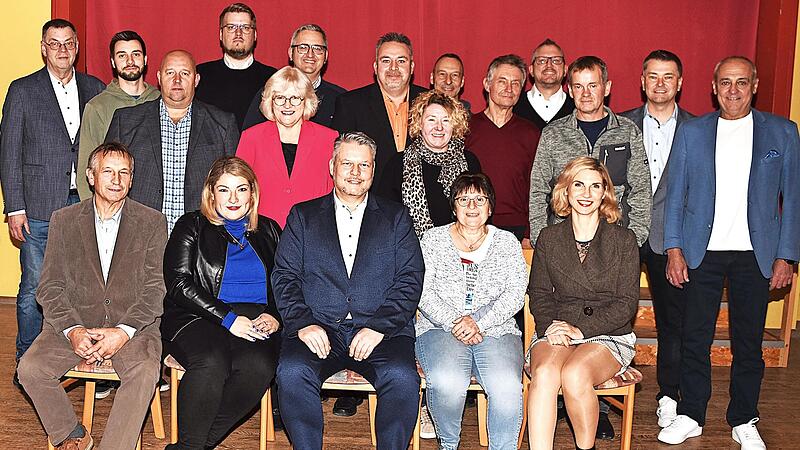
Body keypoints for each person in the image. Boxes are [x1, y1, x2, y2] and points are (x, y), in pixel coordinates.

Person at [659, 56, 800, 449]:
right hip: (700, 252)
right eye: (725, 82)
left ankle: (743, 418)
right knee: (694, 337)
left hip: (756, 254)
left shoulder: (783, 133)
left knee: (748, 343)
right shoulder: (692, 132)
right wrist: (673, 248)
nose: (733, 90)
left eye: (741, 82)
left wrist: (786, 256)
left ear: (754, 85)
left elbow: (794, 200)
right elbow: (675, 197)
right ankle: (690, 414)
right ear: (713, 87)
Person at [272, 132, 424, 449]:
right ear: (332, 166)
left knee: (402, 377)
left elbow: (410, 279)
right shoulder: (303, 216)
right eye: (347, 163)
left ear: (373, 169)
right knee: (292, 371)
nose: (355, 173)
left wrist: (379, 327)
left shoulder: (397, 218)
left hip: (382, 330)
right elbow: (284, 276)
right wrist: (303, 323)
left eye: (363, 165)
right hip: (319, 325)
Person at [17, 143, 167, 450]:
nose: (116, 179)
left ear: (132, 179)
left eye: (124, 172)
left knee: (144, 372)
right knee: (29, 369)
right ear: (90, 176)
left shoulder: (152, 221)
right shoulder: (64, 219)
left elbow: (156, 288)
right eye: (108, 171)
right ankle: (71, 434)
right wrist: (73, 330)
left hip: (133, 327)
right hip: (76, 322)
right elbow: (50, 286)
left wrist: (123, 333)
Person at [0, 18, 105, 384]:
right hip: (39, 208)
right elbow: (9, 151)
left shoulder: (95, 87)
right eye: (54, 43)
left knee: (83, 288)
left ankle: (74, 359)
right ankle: (27, 364)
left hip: (86, 207)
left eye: (68, 43)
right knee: (33, 289)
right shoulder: (22, 90)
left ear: (77, 47)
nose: (62, 49)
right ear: (43, 47)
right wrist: (15, 206)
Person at [162, 156, 282, 449]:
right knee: (211, 361)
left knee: (259, 366)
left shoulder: (269, 229)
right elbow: (178, 284)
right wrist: (228, 319)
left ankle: (191, 447)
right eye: (224, 189)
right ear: (211, 192)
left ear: (252, 193)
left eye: (241, 189)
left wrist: (275, 315)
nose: (233, 198)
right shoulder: (191, 225)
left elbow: (285, 283)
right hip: (197, 315)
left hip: (254, 319)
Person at [527, 156, 639, 450]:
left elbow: (626, 305)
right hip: (557, 327)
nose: (586, 194)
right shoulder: (548, 238)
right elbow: (539, 293)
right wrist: (550, 327)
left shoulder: (624, 240)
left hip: (607, 332)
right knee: (545, 372)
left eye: (594, 186)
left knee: (575, 374)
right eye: (579, 185)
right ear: (566, 190)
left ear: (605, 193)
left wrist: (580, 329)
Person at [416, 172, 527, 450]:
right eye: (463, 199)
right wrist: (456, 322)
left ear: (490, 206)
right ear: (453, 207)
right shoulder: (432, 240)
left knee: (506, 386)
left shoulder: (507, 243)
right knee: (447, 381)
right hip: (440, 328)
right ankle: (449, 444)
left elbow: (515, 293)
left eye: (480, 199)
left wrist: (479, 322)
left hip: (497, 329)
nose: (472, 206)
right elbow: (422, 291)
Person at [620, 49, 694, 429]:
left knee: (672, 323)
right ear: (642, 80)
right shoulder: (621, 125)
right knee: (612, 316)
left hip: (673, 242)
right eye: (653, 76)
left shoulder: (698, 130)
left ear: (680, 83)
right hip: (624, 239)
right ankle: (605, 392)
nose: (660, 83)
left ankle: (669, 395)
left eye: (668, 76)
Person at [105, 50, 239, 233]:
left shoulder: (223, 124)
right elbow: (106, 181)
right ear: (159, 77)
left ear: (196, 79)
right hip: (138, 235)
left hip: (202, 236)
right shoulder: (126, 121)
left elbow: (236, 185)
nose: (177, 80)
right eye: (170, 73)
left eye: (185, 73)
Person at [529, 55, 651, 248]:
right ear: (569, 90)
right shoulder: (552, 134)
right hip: (563, 243)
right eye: (578, 86)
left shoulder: (628, 132)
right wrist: (541, 239)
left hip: (614, 242)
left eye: (593, 86)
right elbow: (538, 190)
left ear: (607, 87)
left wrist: (632, 241)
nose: (585, 93)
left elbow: (641, 190)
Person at [237, 66, 337, 227]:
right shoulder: (251, 137)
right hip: (264, 233)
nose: (287, 105)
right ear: (270, 101)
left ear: (306, 101)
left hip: (315, 231)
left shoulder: (329, 139)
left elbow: (336, 192)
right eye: (280, 98)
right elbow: (238, 188)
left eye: (295, 98)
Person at [377, 90, 480, 237]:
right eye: (431, 119)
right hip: (411, 251)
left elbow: (480, 211)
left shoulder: (470, 162)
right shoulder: (397, 164)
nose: (439, 127)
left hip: (462, 249)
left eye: (446, 120)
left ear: (455, 125)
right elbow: (385, 219)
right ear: (419, 123)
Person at [331, 32, 427, 188]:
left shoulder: (431, 103)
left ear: (412, 67)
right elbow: (341, 160)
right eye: (386, 60)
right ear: (376, 67)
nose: (393, 68)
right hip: (371, 202)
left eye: (401, 61)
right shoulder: (350, 104)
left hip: (424, 202)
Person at [76, 30, 161, 200]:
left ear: (145, 59)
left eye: (135, 54)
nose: (130, 61)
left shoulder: (161, 100)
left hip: (156, 203)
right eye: (122, 56)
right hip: (114, 204)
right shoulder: (97, 107)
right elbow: (86, 168)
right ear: (113, 62)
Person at [466, 54, 540, 242]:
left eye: (515, 83)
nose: (509, 89)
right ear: (487, 84)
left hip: (517, 229)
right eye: (502, 81)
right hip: (471, 224)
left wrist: (528, 233)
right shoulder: (465, 129)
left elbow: (538, 186)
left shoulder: (531, 133)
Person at [243, 24, 346, 129]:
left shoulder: (341, 99)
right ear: (290, 53)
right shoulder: (269, 95)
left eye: (317, 48)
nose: (310, 54)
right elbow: (250, 139)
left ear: (326, 56)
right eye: (303, 48)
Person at [195, 2, 277, 130]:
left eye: (245, 27)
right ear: (221, 35)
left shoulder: (273, 78)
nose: (238, 33)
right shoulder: (199, 76)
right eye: (231, 27)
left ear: (255, 35)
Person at [513, 38, 574, 130]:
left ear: (565, 70)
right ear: (531, 70)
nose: (549, 65)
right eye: (542, 61)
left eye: (556, 61)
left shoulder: (577, 107)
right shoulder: (513, 106)